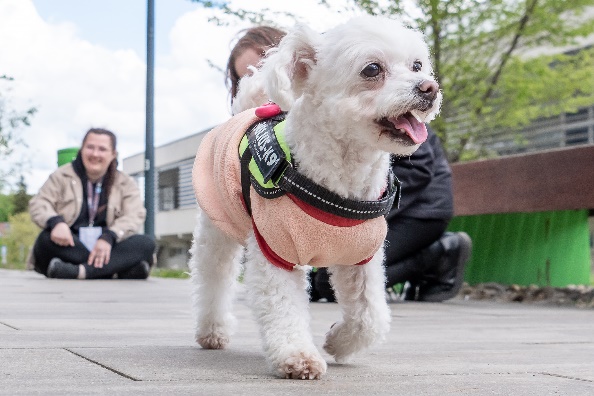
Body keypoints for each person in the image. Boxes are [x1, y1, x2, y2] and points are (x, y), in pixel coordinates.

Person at [225, 25, 471, 302]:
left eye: (262, 65)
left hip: (418, 210)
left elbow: (419, 167)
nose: (258, 78)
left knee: (330, 283)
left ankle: (438, 254)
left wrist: (349, 218)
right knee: (322, 276)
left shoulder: (375, 96)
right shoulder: (275, 134)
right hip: (355, 211)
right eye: (244, 75)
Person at [28, 128, 156, 279]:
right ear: (82, 149)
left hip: (108, 246)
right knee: (45, 240)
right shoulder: (60, 176)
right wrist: (55, 222)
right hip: (71, 246)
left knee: (146, 243)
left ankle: (79, 272)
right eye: (90, 147)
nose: (95, 154)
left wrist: (109, 236)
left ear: (113, 154)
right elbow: (39, 203)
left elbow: (135, 214)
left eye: (102, 149)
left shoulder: (126, 183)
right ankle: (116, 269)